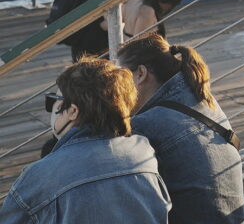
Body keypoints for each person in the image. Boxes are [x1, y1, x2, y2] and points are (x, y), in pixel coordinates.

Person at [0, 58, 171, 223]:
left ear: (73, 111)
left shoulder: (38, 176)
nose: (52, 109)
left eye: (56, 102)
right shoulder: (143, 152)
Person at [118, 34, 244, 224]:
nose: (116, 87)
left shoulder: (145, 124)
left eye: (120, 77)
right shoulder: (202, 99)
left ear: (141, 74)